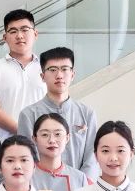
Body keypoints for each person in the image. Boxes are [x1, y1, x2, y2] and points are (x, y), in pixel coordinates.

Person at [17, 47, 99, 179]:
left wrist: (82, 185)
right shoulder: (28, 115)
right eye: (52, 70)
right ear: (42, 76)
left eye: (65, 69)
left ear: (72, 74)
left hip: (80, 186)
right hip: (41, 185)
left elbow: (92, 157)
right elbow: (27, 156)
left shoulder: (87, 113)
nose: (59, 75)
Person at [0, 9, 45, 141]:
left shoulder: (47, 67)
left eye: (24, 29)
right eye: (13, 31)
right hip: (5, 144)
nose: (19, 35)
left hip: (43, 143)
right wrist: (24, 132)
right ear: (5, 38)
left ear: (35, 34)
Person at [31, 112, 91, 191]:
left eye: (57, 134)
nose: (52, 140)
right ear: (34, 139)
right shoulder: (26, 176)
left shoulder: (79, 178)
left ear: (67, 138)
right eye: (45, 134)